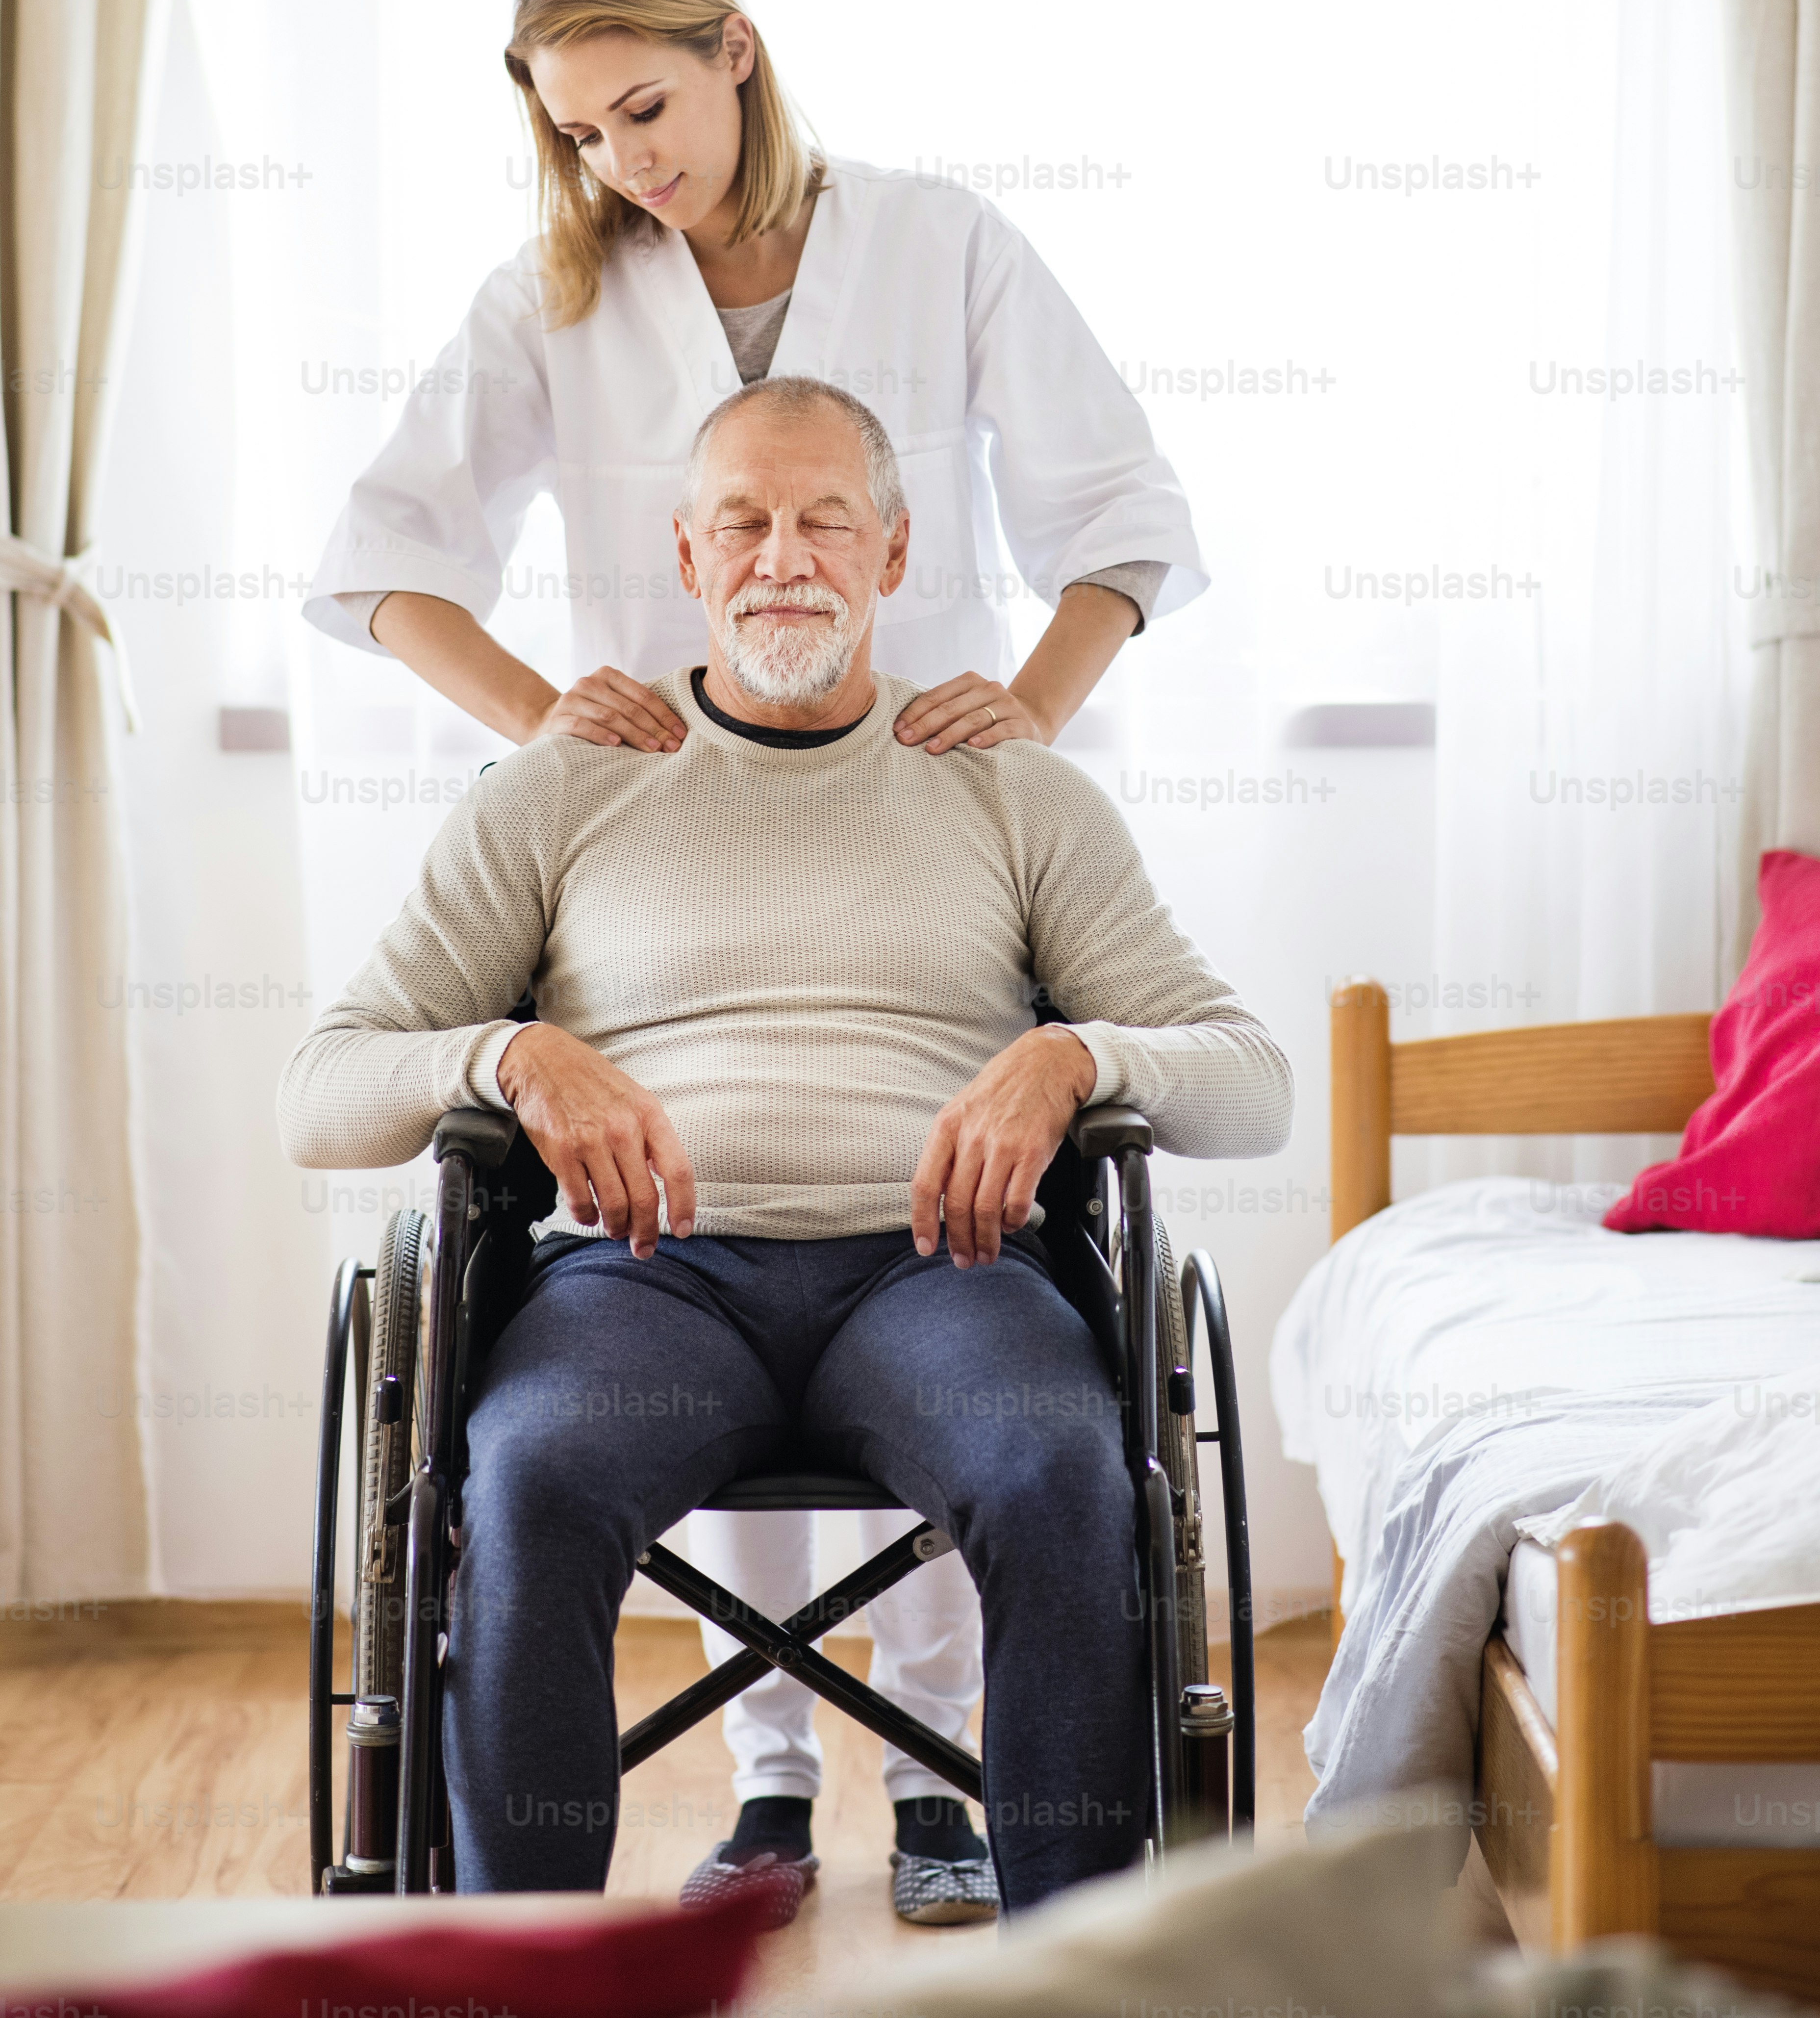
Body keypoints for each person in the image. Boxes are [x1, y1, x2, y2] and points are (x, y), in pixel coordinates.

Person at [302, 0, 1207, 1924]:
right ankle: (774, 1782)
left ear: (736, 52)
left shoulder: (937, 239)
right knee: (683, 1241)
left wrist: (1017, 733)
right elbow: (375, 560)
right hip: (650, 857)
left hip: (930, 835)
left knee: (953, 1280)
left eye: (649, 107)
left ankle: (957, 1793)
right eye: (582, 132)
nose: (628, 159)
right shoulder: (556, 292)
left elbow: (1126, 521)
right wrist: (554, 726)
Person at [279, 379, 1291, 1910]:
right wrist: (515, 1051)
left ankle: (1091, 1971)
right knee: (526, 1484)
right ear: (687, 559)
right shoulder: (565, 786)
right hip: (642, 1280)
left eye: (826, 519)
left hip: (940, 1272)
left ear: (893, 553)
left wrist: (1074, 1055)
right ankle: (533, 1980)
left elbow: (1252, 1081)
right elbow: (320, 1093)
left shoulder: (1009, 787)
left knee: (1060, 1476)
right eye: (743, 522)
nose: (783, 556)